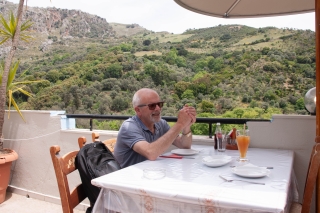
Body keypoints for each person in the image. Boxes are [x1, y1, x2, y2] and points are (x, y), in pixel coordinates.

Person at [114, 88, 197, 168]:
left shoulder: (161, 124)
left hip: (150, 174)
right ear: (138, 110)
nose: (158, 108)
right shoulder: (129, 127)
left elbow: (184, 145)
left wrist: (186, 126)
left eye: (159, 104)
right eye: (152, 106)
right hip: (127, 179)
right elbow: (151, 153)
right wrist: (180, 124)